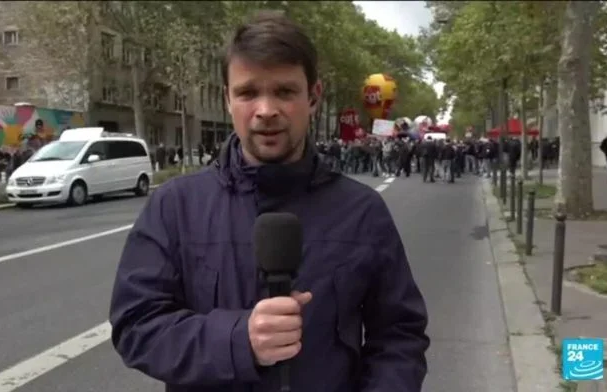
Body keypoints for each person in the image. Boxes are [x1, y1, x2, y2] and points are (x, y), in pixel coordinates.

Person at [109, 10, 429, 392]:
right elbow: (136, 325)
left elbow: (399, 337)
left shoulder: (363, 212)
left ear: (313, 97)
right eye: (247, 93)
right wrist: (238, 340)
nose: (266, 111)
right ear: (227, 98)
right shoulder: (174, 206)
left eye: (284, 91)